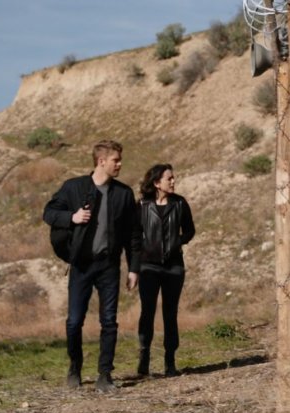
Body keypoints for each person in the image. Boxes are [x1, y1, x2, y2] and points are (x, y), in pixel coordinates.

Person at [43, 140, 138, 392]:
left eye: (120, 159)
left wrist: (133, 267)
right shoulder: (73, 188)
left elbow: (133, 235)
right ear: (101, 161)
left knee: (109, 321)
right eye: (116, 160)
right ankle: (75, 366)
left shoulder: (124, 194)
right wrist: (71, 218)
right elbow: (49, 213)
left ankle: (105, 375)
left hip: (109, 265)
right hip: (82, 266)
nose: (120, 164)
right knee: (74, 321)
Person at [131, 164, 195, 377]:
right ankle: (144, 358)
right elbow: (134, 237)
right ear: (157, 183)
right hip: (148, 267)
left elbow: (190, 230)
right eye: (169, 179)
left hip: (174, 267)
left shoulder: (180, 203)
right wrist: (136, 266)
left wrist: (178, 242)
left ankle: (170, 362)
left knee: (170, 313)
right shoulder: (141, 205)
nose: (173, 182)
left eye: (174, 178)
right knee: (147, 312)